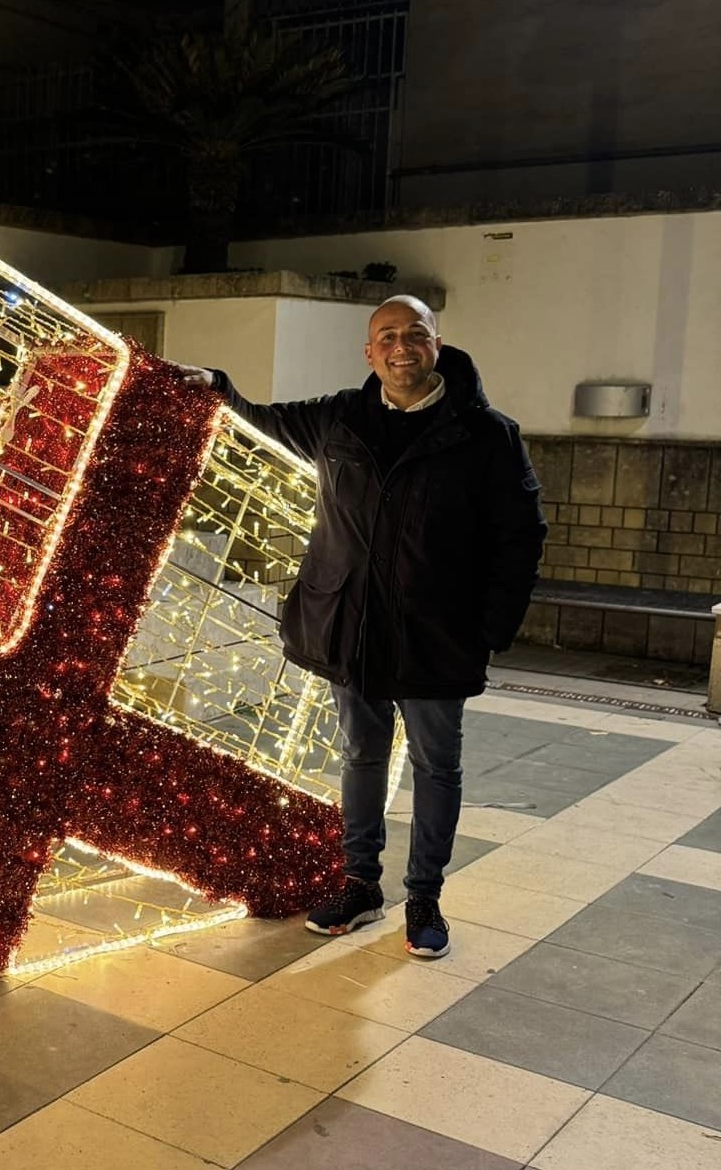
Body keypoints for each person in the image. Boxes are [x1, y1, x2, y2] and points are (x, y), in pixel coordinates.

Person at [179, 296, 546, 957]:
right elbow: (260, 419)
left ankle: (425, 896)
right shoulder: (340, 416)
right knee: (361, 756)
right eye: (387, 337)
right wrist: (217, 386)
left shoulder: (487, 434)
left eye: (415, 335)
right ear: (369, 352)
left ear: (436, 344)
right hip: (352, 626)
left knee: (436, 767)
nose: (402, 348)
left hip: (438, 636)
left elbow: (521, 537)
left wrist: (490, 627)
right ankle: (360, 886)